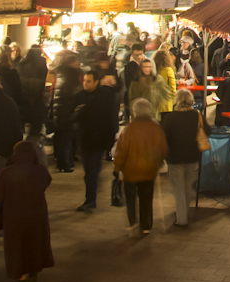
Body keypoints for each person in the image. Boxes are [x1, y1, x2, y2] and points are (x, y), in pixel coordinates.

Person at [0, 140, 54, 282]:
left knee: (17, 248)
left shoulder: (5, 173)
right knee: (34, 245)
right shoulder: (40, 170)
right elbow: (46, 182)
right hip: (37, 215)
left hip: (15, 217)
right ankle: (33, 278)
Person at [113, 98, 168, 235]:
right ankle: (146, 226)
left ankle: (133, 222)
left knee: (131, 199)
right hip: (149, 170)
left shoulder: (129, 129)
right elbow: (164, 149)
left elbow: (121, 150)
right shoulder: (156, 128)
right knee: (146, 198)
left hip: (130, 171)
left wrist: (117, 168)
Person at [159, 87, 207, 228]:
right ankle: (183, 213)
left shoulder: (170, 118)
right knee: (187, 187)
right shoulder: (197, 115)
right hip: (192, 156)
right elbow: (207, 130)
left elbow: (163, 137)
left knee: (178, 189)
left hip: (175, 158)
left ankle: (182, 218)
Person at [73, 69, 119, 212]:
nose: (85, 84)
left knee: (91, 171)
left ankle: (90, 200)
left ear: (96, 82)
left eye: (88, 81)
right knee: (89, 170)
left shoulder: (104, 97)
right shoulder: (80, 97)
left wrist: (110, 138)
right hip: (85, 139)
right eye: (84, 81)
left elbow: (111, 118)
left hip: (97, 140)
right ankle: (91, 195)